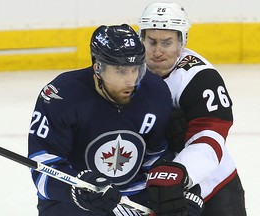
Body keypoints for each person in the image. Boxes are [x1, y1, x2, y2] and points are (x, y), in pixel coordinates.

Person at [27, 23, 175, 216]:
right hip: (76, 201)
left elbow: (156, 158)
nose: (131, 80)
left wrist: (175, 187)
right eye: (121, 71)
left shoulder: (156, 92)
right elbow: (42, 166)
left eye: (136, 69)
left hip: (134, 201)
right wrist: (75, 189)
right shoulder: (61, 95)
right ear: (98, 67)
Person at [139, 1, 247, 216]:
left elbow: (211, 136)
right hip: (155, 182)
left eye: (166, 42)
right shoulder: (127, 70)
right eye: (151, 41)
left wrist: (178, 173)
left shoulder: (200, 77)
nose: (157, 51)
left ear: (182, 42)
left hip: (213, 181)